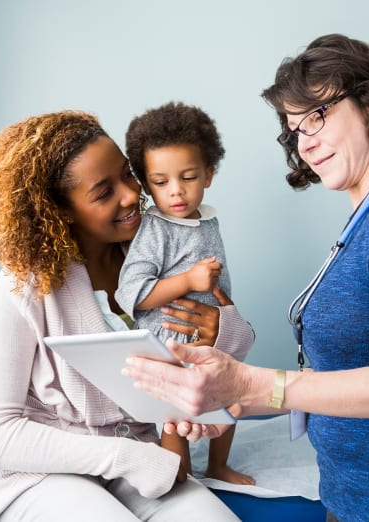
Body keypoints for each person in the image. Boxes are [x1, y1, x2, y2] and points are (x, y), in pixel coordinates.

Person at [124, 34, 369, 521]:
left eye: (317, 115)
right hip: (355, 502)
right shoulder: (368, 220)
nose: (304, 140)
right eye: (294, 128)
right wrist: (231, 399)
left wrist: (250, 382)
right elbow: (342, 374)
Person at [0, 110, 254, 521]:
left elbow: (224, 337)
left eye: (128, 175)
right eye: (104, 192)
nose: (129, 196)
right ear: (61, 210)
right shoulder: (25, 283)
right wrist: (129, 458)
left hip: (139, 462)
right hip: (43, 474)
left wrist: (221, 328)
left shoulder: (155, 249)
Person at [115, 101, 254, 486]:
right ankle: (182, 476)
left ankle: (218, 466)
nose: (176, 191)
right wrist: (189, 281)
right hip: (171, 344)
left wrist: (230, 319)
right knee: (175, 417)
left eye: (188, 177)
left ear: (208, 175)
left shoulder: (207, 219)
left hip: (213, 338)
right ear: (146, 184)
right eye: (160, 183)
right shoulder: (155, 229)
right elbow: (132, 293)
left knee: (228, 399)